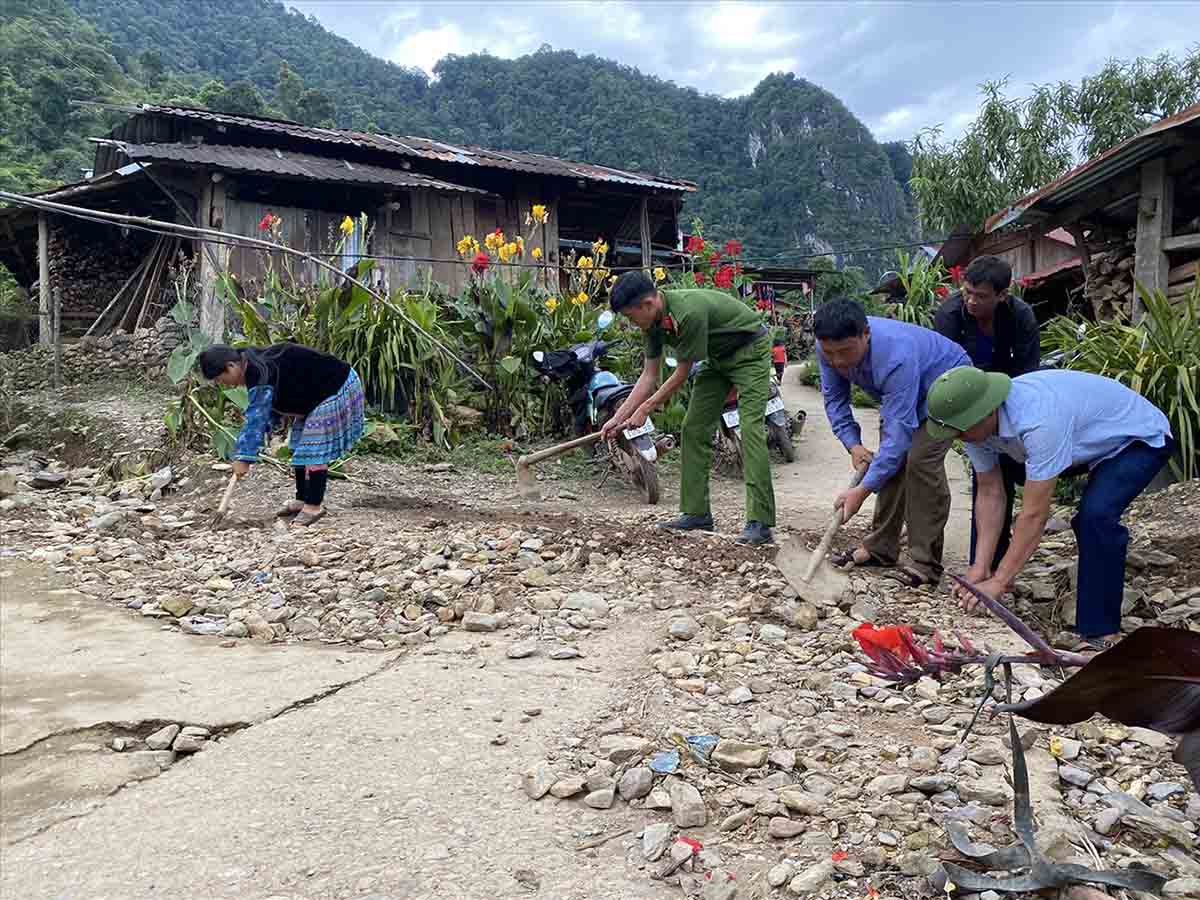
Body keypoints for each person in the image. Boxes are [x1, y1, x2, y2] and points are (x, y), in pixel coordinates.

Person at [926, 366, 1173, 649]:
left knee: (1095, 516)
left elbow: (1034, 514)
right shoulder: (972, 426)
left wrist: (1003, 579)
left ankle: (1101, 632)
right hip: (1082, 440)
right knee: (998, 476)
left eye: (961, 431)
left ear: (986, 412)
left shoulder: (1039, 421)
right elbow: (990, 492)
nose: (957, 437)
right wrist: (978, 568)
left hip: (1137, 439)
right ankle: (986, 577)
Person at [603, 270, 775, 545]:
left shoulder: (688, 313)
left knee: (750, 428)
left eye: (630, 316)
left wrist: (645, 409)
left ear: (647, 304)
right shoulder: (653, 325)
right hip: (717, 358)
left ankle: (760, 522)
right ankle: (696, 513)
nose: (632, 323)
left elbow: (681, 375)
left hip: (750, 351)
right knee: (693, 428)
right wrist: (617, 418)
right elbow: (648, 376)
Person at [815, 298, 970, 586]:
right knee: (888, 464)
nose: (837, 361)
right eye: (830, 353)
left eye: (845, 351)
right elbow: (835, 400)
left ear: (866, 334)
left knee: (920, 462)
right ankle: (880, 549)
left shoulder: (895, 354)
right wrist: (854, 445)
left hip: (948, 387)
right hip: (905, 395)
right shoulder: (828, 349)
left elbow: (899, 435)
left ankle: (925, 562)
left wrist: (861, 491)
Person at [934, 255, 1040, 572]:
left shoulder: (1021, 317)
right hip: (968, 405)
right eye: (967, 291)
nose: (970, 301)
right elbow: (946, 372)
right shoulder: (950, 315)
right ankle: (981, 565)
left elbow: (1028, 371)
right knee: (988, 480)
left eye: (980, 296)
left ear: (1002, 295)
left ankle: (1000, 562)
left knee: (1011, 473)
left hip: (1012, 402)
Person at [198, 343, 366, 527]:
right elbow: (270, 408)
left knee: (313, 449)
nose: (223, 384)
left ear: (231, 366)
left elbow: (257, 418)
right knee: (299, 446)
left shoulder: (257, 371)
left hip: (336, 386)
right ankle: (302, 499)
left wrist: (244, 457)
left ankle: (313, 506)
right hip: (313, 397)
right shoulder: (251, 363)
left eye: (221, 379)